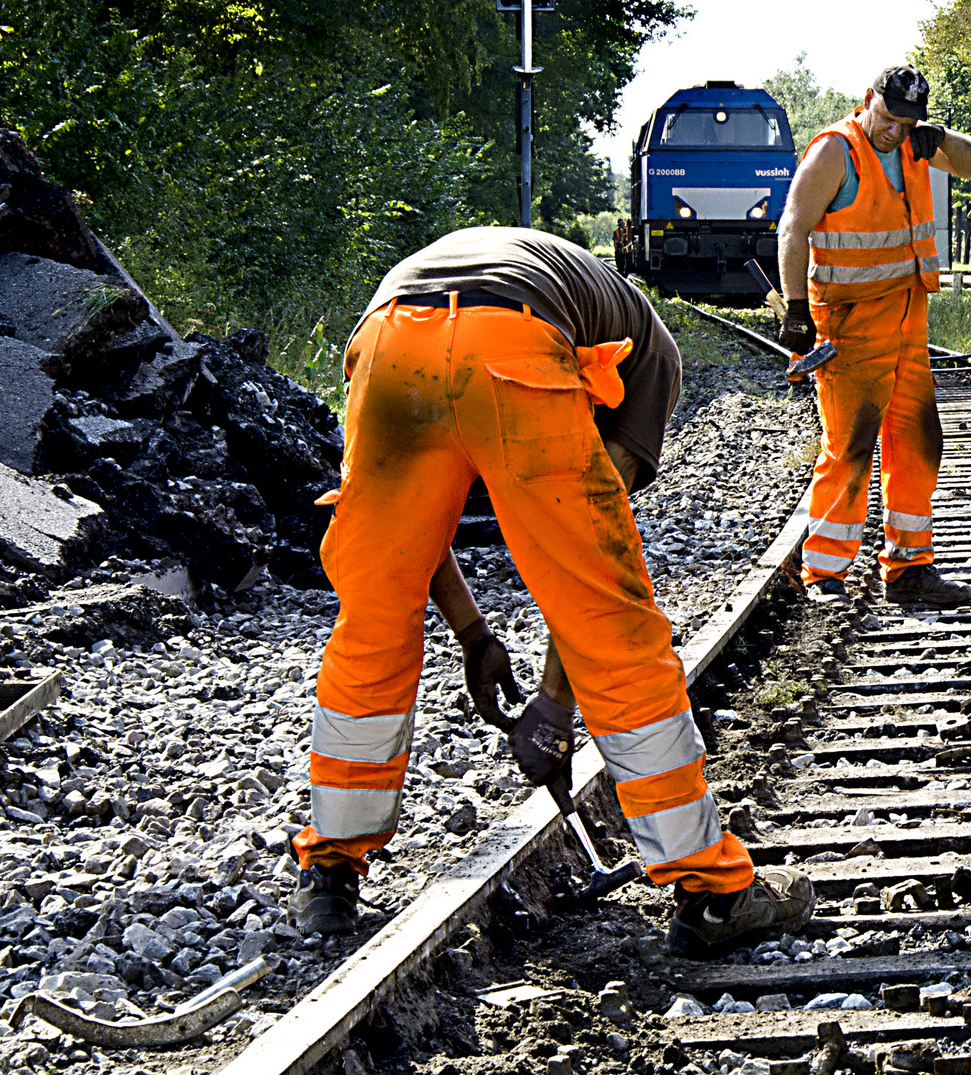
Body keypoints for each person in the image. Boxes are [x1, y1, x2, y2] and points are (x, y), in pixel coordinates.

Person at [287, 227, 813, 958]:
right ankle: (711, 889)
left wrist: (478, 636)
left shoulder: (540, 291)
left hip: (388, 342)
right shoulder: (652, 357)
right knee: (614, 624)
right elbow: (586, 580)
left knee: (372, 616)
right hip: (512, 343)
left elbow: (412, 538)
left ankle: (329, 871)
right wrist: (554, 707)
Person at [776, 64, 971, 607]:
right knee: (850, 447)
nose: (897, 129)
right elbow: (793, 226)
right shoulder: (835, 152)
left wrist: (939, 136)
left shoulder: (917, 143)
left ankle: (909, 566)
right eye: (891, 116)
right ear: (869, 98)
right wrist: (797, 312)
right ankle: (825, 571)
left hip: (907, 319)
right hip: (849, 326)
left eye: (909, 120)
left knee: (920, 442)